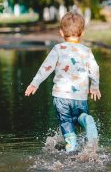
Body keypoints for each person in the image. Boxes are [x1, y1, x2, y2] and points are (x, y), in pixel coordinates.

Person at [25, 12, 101, 152]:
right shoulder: (86, 51)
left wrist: (34, 83)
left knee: (66, 121)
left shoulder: (58, 49)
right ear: (82, 32)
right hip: (80, 97)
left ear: (61, 32)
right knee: (79, 116)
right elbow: (94, 70)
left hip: (61, 97)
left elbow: (46, 67)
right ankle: (86, 119)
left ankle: (70, 144)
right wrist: (94, 87)